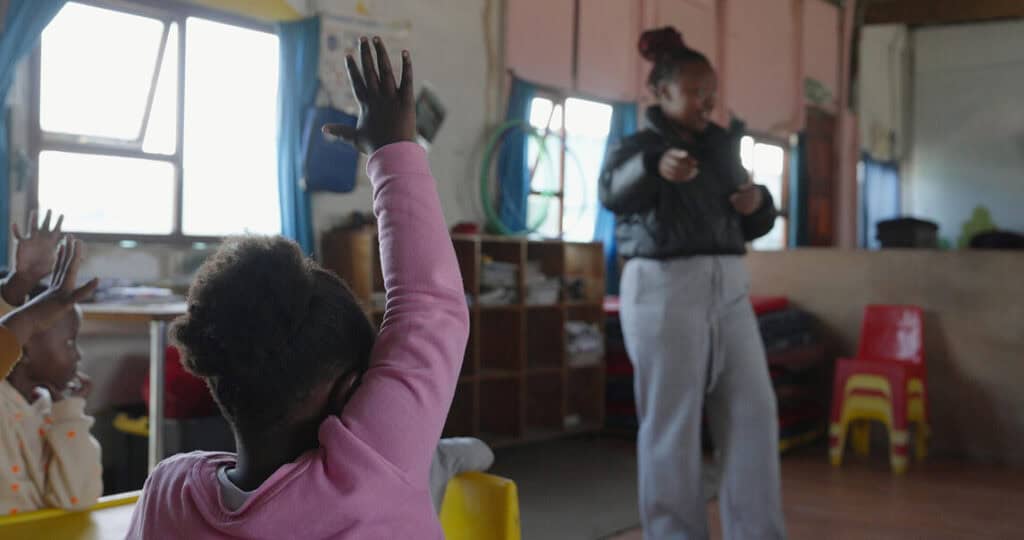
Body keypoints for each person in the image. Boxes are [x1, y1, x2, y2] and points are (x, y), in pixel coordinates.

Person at [126, 37, 470, 539]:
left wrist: (392, 151)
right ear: (352, 391)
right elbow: (428, 306)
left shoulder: (169, 490)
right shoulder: (366, 473)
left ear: (222, 382)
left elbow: (429, 310)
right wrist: (393, 152)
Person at [599, 27, 786, 540]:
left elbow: (749, 221)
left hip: (729, 287)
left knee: (754, 411)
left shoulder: (723, 147)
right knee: (672, 425)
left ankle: (758, 532)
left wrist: (760, 205)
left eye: (711, 93)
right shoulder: (636, 145)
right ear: (661, 93)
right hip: (664, 289)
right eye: (695, 92)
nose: (707, 103)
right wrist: (653, 168)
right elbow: (612, 194)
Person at [0, 222, 101, 515]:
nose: (77, 355)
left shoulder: (51, 411)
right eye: (69, 343)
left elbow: (77, 500)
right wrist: (21, 289)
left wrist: (69, 416)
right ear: (25, 349)